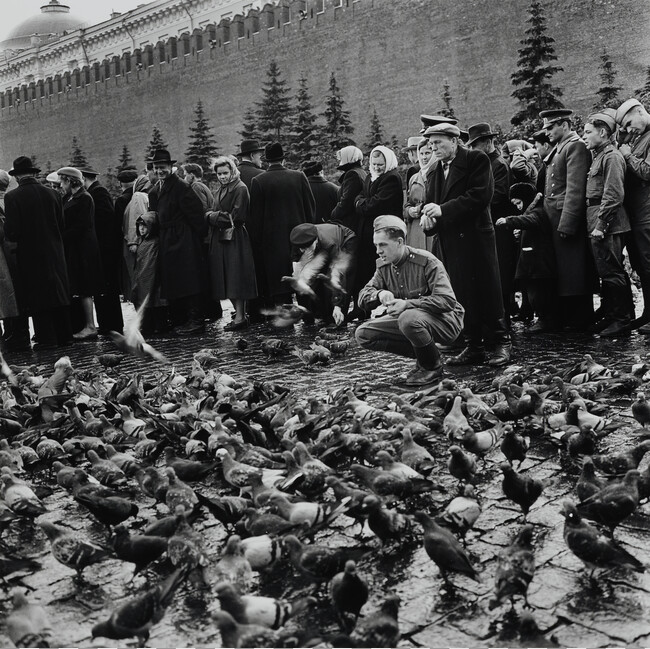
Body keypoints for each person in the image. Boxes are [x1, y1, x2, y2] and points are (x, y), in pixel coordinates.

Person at [421, 122, 510, 366]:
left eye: (438, 142)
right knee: (461, 292)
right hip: (451, 241)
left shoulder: (476, 160)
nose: (433, 147)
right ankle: (474, 346)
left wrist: (442, 210)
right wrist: (430, 223)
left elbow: (481, 196)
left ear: (454, 140)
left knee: (488, 288)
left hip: (476, 238)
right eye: (431, 143)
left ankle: (501, 342)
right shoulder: (434, 171)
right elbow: (432, 206)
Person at [355, 215, 464, 386]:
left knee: (407, 318)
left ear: (399, 242)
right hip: (413, 321)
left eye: (383, 244)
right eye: (376, 245)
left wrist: (406, 304)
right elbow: (363, 296)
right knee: (363, 334)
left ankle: (432, 367)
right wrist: (379, 294)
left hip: (446, 321)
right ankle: (429, 355)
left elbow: (447, 301)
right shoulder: (384, 266)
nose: (378, 251)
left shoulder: (427, 261)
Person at [4, 157, 71, 350]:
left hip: (30, 253)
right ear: (34, 174)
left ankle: (46, 338)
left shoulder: (12, 197)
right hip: (55, 251)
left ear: (16, 177)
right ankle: (65, 336)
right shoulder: (53, 194)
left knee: (38, 294)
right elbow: (61, 224)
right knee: (58, 291)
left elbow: (12, 231)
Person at [539, 108, 597, 331]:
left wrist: (568, 222)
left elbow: (575, 189)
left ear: (564, 125)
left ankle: (580, 320)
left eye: (551, 127)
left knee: (574, 271)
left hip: (565, 219)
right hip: (555, 218)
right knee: (566, 272)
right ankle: (571, 318)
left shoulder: (575, 146)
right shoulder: (561, 147)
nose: (548, 132)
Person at [582, 110, 633, 337]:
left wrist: (601, 225)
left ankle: (622, 319)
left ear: (602, 132)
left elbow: (613, 194)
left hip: (609, 223)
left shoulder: (611, 156)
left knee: (612, 270)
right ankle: (613, 315)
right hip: (599, 218)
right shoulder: (601, 155)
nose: (584, 136)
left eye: (588, 132)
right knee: (607, 270)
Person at [248, 142, 315, 313]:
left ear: (266, 161)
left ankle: (286, 321)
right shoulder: (299, 176)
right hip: (301, 239)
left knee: (280, 286)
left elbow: (255, 218)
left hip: (272, 244)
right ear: (283, 159)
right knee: (302, 279)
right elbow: (310, 208)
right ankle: (308, 318)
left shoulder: (258, 181)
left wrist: (258, 244)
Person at [148, 149, 208, 335]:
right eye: (157, 168)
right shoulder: (157, 189)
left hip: (184, 240)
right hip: (168, 239)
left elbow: (197, 214)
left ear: (171, 167)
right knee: (175, 280)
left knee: (189, 280)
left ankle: (196, 320)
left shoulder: (181, 187)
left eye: (163, 167)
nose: (160, 171)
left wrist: (196, 239)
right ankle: (182, 319)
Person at [468, 122, 516, 326]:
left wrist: (474, 205)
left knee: (501, 273)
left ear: (488, 142)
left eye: (475, 145)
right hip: (491, 226)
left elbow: (498, 196)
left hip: (500, 227)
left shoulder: (498, 165)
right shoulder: (485, 163)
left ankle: (503, 319)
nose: (472, 150)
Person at [496, 183, 558, 333]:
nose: (517, 207)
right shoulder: (534, 211)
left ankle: (544, 320)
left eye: (518, 203)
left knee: (538, 296)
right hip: (534, 265)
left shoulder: (537, 211)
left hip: (538, 265)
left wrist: (509, 221)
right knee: (534, 294)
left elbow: (530, 221)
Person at [206, 156, 257, 331]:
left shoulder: (240, 188)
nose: (222, 177)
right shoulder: (223, 188)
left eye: (225, 173)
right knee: (228, 278)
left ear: (233, 171)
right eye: (219, 174)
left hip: (235, 238)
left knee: (236, 277)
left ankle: (241, 317)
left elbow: (237, 216)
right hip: (223, 238)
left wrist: (211, 216)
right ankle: (239, 315)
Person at [352, 145, 403, 320]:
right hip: (370, 233)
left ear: (387, 162)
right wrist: (362, 203)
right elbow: (359, 198)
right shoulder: (371, 177)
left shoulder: (391, 178)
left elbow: (374, 204)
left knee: (383, 269)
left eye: (380, 164)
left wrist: (362, 204)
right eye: (374, 163)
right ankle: (368, 307)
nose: (376, 167)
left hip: (385, 233)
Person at [615, 98, 650, 331]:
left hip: (647, 214)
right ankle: (648, 313)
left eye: (628, 123)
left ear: (639, 111)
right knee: (641, 264)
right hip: (638, 214)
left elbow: (648, 172)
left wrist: (627, 155)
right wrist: (625, 139)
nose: (628, 129)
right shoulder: (640, 137)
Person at [58, 167, 103, 340]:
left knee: (85, 288)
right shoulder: (70, 197)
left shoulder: (84, 198)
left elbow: (81, 225)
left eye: (63, 181)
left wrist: (61, 238)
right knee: (80, 287)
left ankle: (90, 326)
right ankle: (85, 325)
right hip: (76, 248)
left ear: (70, 181)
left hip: (84, 248)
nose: (61, 185)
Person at [81, 167, 124, 335]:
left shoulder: (98, 193)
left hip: (105, 251)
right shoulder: (96, 192)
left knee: (108, 290)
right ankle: (106, 324)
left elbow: (106, 222)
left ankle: (112, 325)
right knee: (102, 290)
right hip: (102, 249)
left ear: (84, 178)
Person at [289, 222, 357, 326]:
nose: (305, 251)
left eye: (308, 248)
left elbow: (339, 274)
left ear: (315, 240)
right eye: (302, 249)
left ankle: (339, 316)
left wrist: (338, 306)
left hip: (345, 241)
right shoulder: (298, 243)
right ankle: (319, 315)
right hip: (322, 247)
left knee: (336, 277)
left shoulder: (330, 243)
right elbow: (298, 277)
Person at [132, 212, 169, 335]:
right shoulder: (144, 241)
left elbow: (149, 265)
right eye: (139, 226)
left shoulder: (154, 243)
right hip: (144, 280)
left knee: (154, 303)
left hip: (151, 281)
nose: (141, 228)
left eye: (145, 226)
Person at [119, 172, 150, 301]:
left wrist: (133, 241)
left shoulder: (137, 196)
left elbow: (136, 220)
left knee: (136, 278)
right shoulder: (146, 196)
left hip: (134, 244)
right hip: (143, 243)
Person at [404, 138, 435, 250]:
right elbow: (408, 203)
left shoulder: (439, 174)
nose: (424, 157)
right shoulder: (414, 177)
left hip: (432, 226)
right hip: (416, 229)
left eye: (427, 153)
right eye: (421, 153)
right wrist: (409, 211)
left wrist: (421, 209)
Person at [330, 145, 367, 232]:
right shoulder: (361, 172)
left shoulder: (352, 174)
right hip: (358, 220)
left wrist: (333, 215)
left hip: (351, 223)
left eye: (342, 156)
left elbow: (346, 201)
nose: (339, 160)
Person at [0, 170, 18, 341]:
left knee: (4, 295)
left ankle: (9, 333)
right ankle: (15, 331)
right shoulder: (11, 199)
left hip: (2, 255)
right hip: (15, 254)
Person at [303, 160, 338, 224]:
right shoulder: (335, 189)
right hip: (330, 229)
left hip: (307, 230)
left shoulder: (300, 189)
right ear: (321, 172)